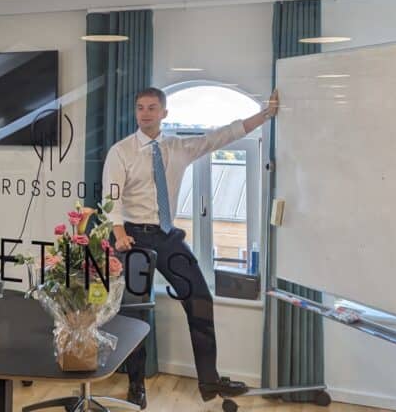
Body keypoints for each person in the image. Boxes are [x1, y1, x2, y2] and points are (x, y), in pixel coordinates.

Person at [103, 87, 279, 408]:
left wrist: (265, 114)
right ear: (135, 112)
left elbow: (222, 136)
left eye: (152, 108)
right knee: (135, 313)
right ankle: (136, 384)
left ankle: (209, 381)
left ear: (164, 113)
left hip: (167, 237)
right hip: (132, 239)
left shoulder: (179, 147)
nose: (145, 113)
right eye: (140, 107)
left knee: (200, 299)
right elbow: (111, 196)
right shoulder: (121, 151)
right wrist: (118, 233)